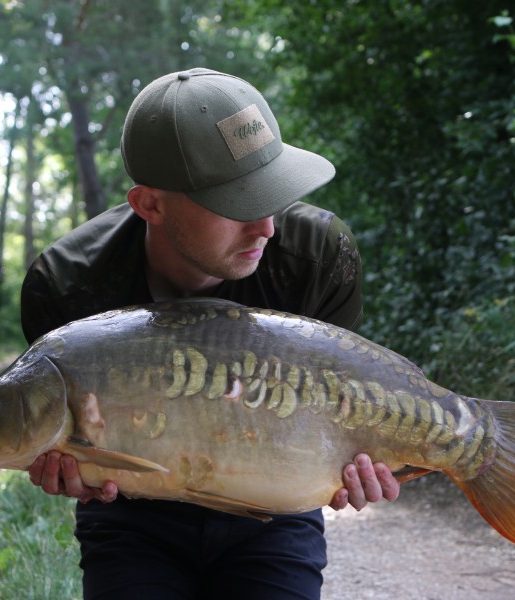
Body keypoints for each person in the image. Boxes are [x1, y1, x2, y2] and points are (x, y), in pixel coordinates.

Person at [21, 67, 401, 599]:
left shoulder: (317, 255)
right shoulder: (66, 287)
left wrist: (355, 467)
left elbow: (338, 409)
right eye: (239, 203)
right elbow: (63, 447)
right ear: (149, 204)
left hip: (272, 508)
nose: (266, 226)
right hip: (131, 513)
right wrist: (66, 468)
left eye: (273, 192)